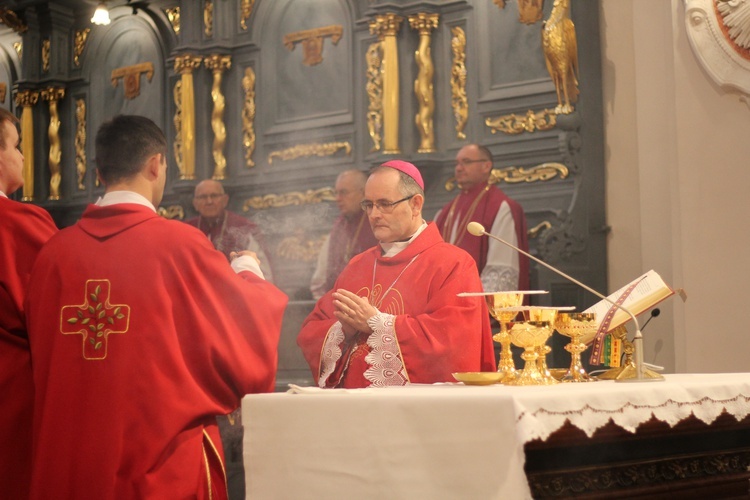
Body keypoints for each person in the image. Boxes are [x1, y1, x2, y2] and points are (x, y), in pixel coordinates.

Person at [24, 115, 288, 499]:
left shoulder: (53, 254)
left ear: (99, 173)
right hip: (157, 468)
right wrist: (248, 271)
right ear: (155, 164)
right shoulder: (180, 244)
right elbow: (244, 333)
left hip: (68, 466)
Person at [297, 160, 494, 388]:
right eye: (369, 205)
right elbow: (311, 330)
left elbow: (453, 342)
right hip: (351, 411)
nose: (374, 214)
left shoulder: (453, 264)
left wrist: (376, 323)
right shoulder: (358, 266)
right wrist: (344, 329)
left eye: (384, 204)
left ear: (416, 204)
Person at [0, 108, 58, 499]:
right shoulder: (19, 224)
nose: (21, 157)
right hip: (12, 397)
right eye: (16, 145)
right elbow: (59, 316)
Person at [435, 144, 530, 292]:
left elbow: (501, 268)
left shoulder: (499, 207)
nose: (459, 168)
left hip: (476, 306)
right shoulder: (445, 212)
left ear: (486, 166)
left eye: (466, 162)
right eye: (457, 163)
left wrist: (471, 305)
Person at [186, 179, 274, 282]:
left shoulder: (243, 227)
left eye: (214, 196)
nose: (209, 201)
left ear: (225, 200)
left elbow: (263, 272)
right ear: (195, 203)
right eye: (203, 197)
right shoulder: (186, 230)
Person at [310, 169, 377, 299]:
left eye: (344, 193)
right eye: (336, 193)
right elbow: (322, 275)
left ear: (363, 193)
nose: (338, 199)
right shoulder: (339, 226)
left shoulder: (376, 221)